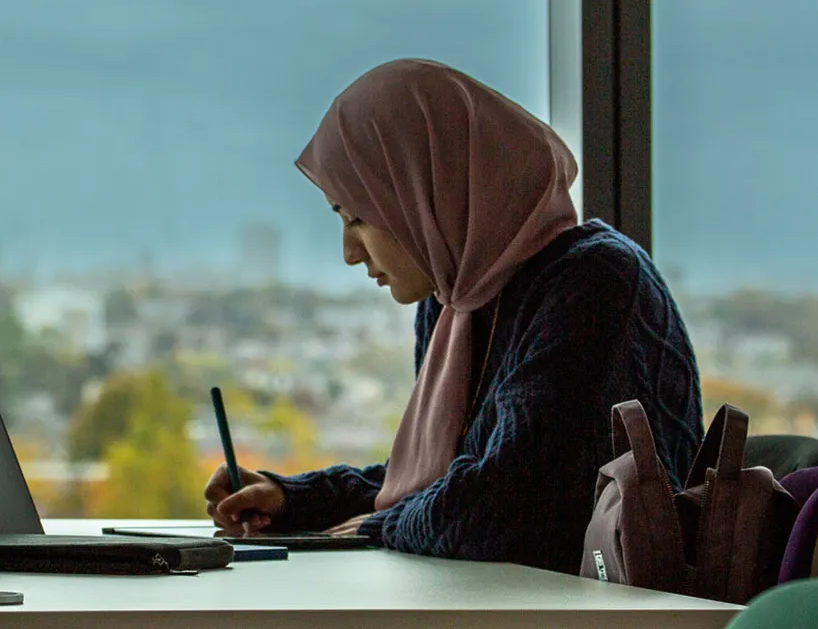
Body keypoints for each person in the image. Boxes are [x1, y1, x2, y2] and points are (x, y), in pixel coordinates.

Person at [203, 58, 705, 573]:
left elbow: (499, 509)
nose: (350, 253)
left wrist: (380, 524)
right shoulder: (458, 299)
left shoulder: (591, 282)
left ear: (428, 193)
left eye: (359, 217)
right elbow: (446, 482)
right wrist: (295, 498)